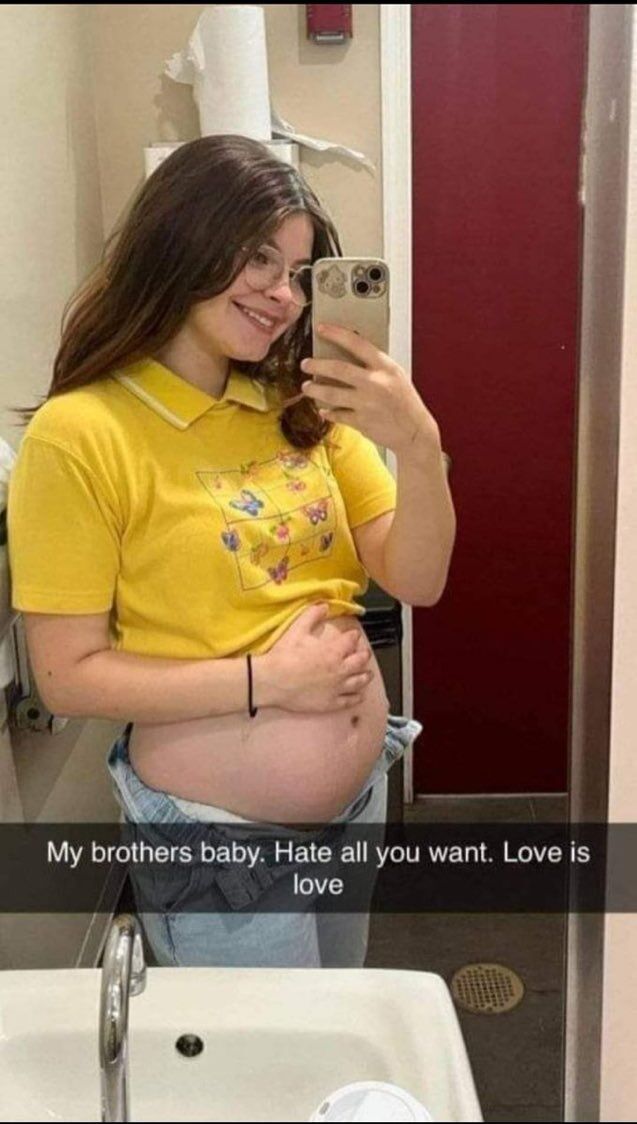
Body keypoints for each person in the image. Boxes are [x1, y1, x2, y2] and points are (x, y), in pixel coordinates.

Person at [7, 135, 456, 967]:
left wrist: (420, 448)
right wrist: (270, 682)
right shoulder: (82, 434)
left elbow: (418, 578)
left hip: (354, 803)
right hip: (219, 845)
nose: (283, 294)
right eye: (258, 259)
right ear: (180, 243)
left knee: (333, 1020)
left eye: (298, 272)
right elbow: (68, 675)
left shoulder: (299, 407)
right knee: (263, 1052)